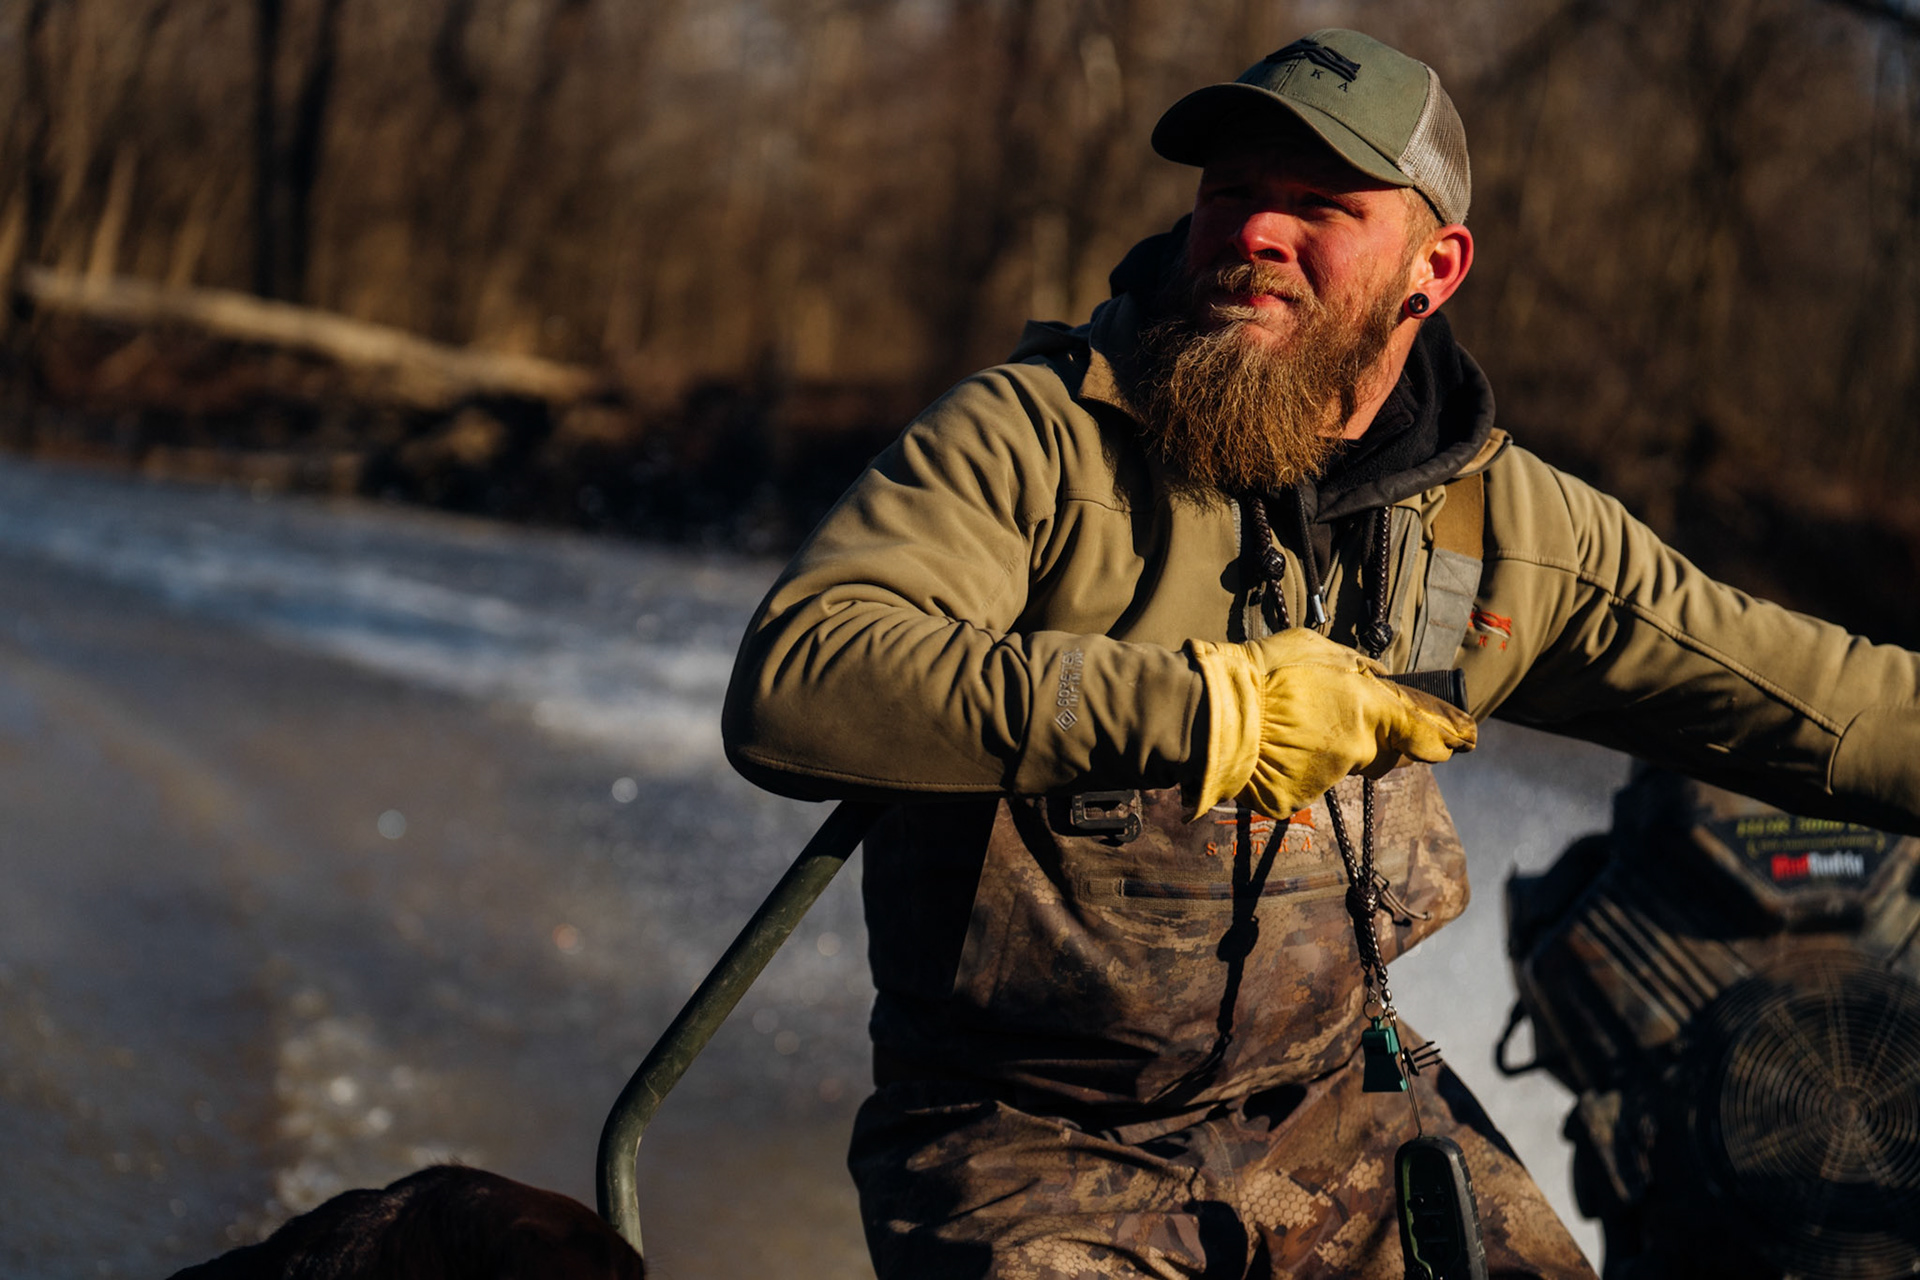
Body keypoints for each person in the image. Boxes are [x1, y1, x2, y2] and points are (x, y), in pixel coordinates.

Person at [722, 27, 1920, 1279]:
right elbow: (802, 677)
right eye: (1231, 191)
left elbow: (1835, 706)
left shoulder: (1506, 529)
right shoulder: (1030, 440)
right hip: (1022, 1143)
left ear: (1433, 267)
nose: (1255, 230)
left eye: (1320, 205)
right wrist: (1216, 709)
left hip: (1344, 1114)